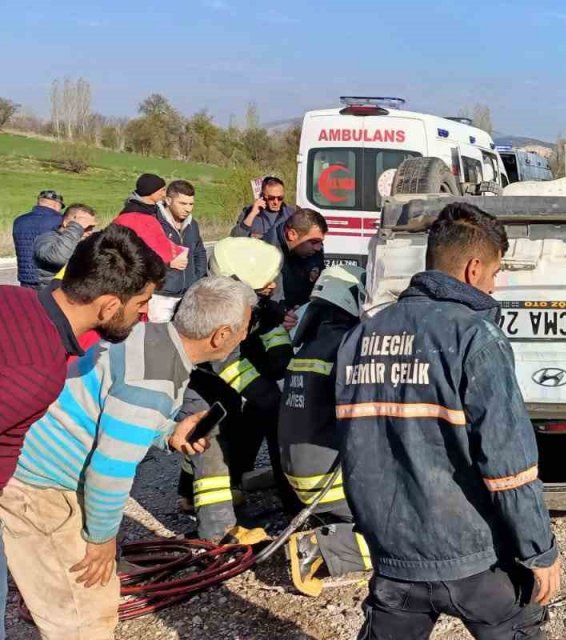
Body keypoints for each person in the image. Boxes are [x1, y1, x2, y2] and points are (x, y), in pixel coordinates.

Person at [336, 202, 560, 639]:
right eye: (495, 275)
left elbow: (354, 445)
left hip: (393, 559)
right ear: (475, 269)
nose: (494, 287)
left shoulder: (359, 338)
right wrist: (540, 552)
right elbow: (509, 467)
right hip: (474, 560)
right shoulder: (476, 338)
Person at [0, 276, 256, 638]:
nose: (246, 336)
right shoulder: (154, 382)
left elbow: (115, 410)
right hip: (40, 488)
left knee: (91, 598)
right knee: (81, 613)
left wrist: (168, 433)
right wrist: (102, 541)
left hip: (40, 466)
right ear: (221, 335)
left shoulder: (149, 337)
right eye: (244, 328)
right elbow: (109, 470)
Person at [0, 224, 166, 639]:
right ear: (109, 307)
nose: (143, 314)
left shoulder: (13, 299)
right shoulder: (38, 369)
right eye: (141, 303)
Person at [177, 237, 298, 542]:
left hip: (225, 385)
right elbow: (226, 361)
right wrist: (266, 394)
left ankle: (234, 485)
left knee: (252, 417)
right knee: (209, 446)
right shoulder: (215, 311)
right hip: (200, 385)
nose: (271, 284)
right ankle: (218, 531)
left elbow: (270, 334)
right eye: (262, 283)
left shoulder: (253, 305)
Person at [279, 265, 370, 596]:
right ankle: (317, 550)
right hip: (330, 486)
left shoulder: (308, 344)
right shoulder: (347, 346)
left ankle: (333, 526)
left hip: (300, 482)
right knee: (409, 534)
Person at [151, 180, 209, 322]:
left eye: (191, 204)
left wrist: (197, 279)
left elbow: (199, 252)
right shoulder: (154, 223)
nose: (188, 209)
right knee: (160, 339)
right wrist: (167, 263)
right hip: (160, 296)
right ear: (168, 200)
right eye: (183, 204)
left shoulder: (192, 224)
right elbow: (143, 256)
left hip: (187, 296)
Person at [274, 207, 328, 312]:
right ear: (292, 235)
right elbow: (273, 299)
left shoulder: (314, 247)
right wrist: (284, 314)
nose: (318, 248)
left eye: (320, 242)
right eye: (313, 242)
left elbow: (319, 268)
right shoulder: (269, 252)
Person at [33, 203, 97, 287]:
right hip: (51, 294)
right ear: (66, 223)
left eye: (91, 227)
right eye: (85, 227)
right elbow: (58, 257)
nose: (90, 231)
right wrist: (77, 227)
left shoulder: (85, 242)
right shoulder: (46, 239)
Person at [11, 190, 65, 288]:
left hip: (26, 278)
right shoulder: (61, 221)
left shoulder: (19, 221)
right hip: (50, 279)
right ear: (57, 205)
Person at [231, 176, 294, 246]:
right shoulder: (249, 211)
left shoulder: (291, 214)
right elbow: (234, 238)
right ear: (263, 196)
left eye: (280, 198)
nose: (276, 202)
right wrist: (252, 214)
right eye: (271, 198)